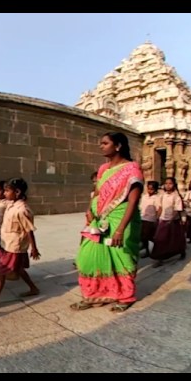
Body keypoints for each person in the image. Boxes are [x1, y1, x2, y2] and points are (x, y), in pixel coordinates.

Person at [71, 132, 143, 313]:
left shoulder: (132, 169)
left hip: (120, 219)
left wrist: (120, 230)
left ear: (118, 146)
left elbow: (133, 201)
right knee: (87, 257)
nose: (100, 146)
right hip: (99, 219)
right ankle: (94, 295)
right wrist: (90, 209)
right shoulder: (104, 169)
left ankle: (125, 296)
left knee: (120, 259)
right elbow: (97, 193)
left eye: (104, 143)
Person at [0, 178, 40, 310]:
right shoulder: (11, 204)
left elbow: (29, 230)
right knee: (19, 269)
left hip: (14, 247)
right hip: (7, 244)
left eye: (7, 191)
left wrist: (34, 248)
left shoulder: (22, 210)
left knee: (0, 272)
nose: (4, 193)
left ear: (17, 192)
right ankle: (33, 288)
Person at [149, 177, 186, 267]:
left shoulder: (176, 196)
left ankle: (181, 252)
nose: (168, 185)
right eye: (166, 183)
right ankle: (159, 258)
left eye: (170, 183)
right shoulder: (162, 195)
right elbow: (160, 208)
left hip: (173, 221)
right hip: (163, 220)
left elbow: (177, 209)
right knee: (160, 239)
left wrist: (171, 219)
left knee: (175, 239)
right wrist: (157, 218)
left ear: (174, 185)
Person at [139, 180, 160, 258]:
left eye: (152, 189)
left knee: (149, 236)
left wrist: (156, 218)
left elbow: (159, 209)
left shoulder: (156, 198)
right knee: (143, 237)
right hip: (143, 217)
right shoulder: (144, 196)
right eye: (148, 188)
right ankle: (146, 250)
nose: (149, 190)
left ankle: (154, 250)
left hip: (151, 219)